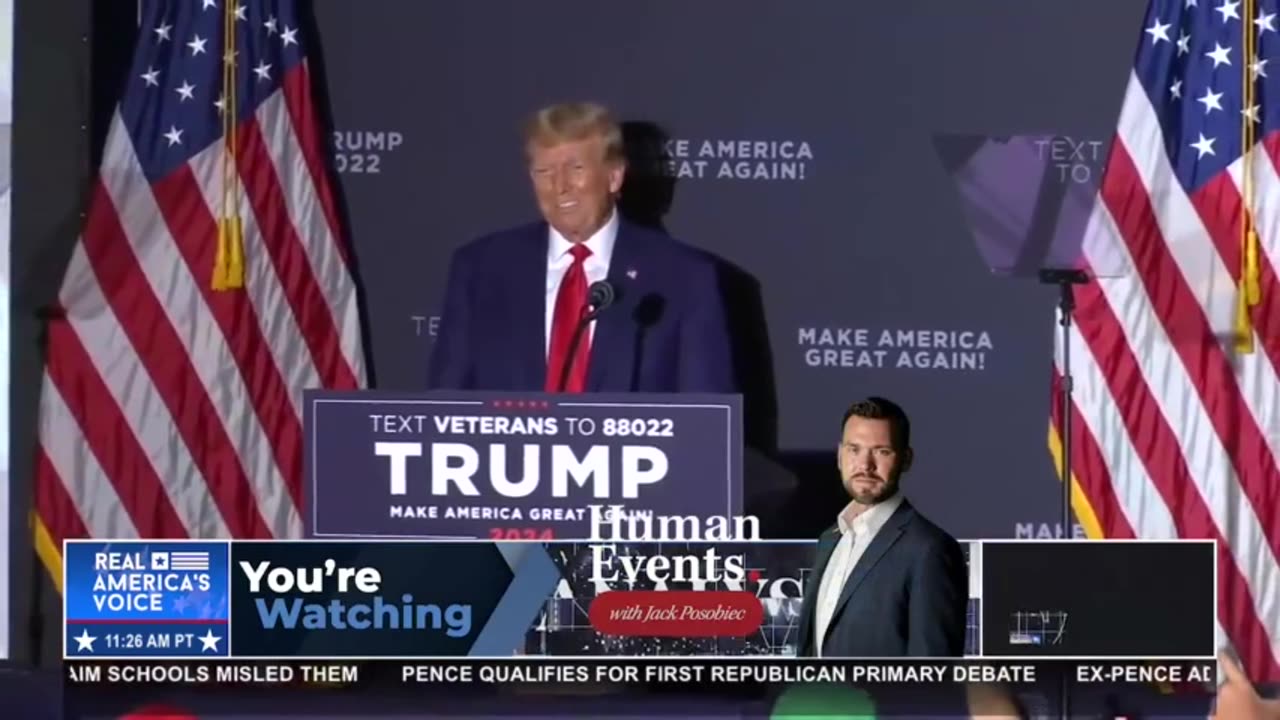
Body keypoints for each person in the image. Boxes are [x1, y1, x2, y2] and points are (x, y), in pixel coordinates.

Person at [427, 102, 735, 394]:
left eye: (575, 168)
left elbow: (706, 422)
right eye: (544, 172)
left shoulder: (684, 277)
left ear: (614, 177)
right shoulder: (481, 269)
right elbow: (445, 405)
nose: (559, 186)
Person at [795, 397, 968, 657]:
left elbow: (933, 678)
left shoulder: (930, 550)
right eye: (854, 449)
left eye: (882, 451)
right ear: (840, 455)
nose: (865, 465)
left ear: (906, 459)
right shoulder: (829, 539)